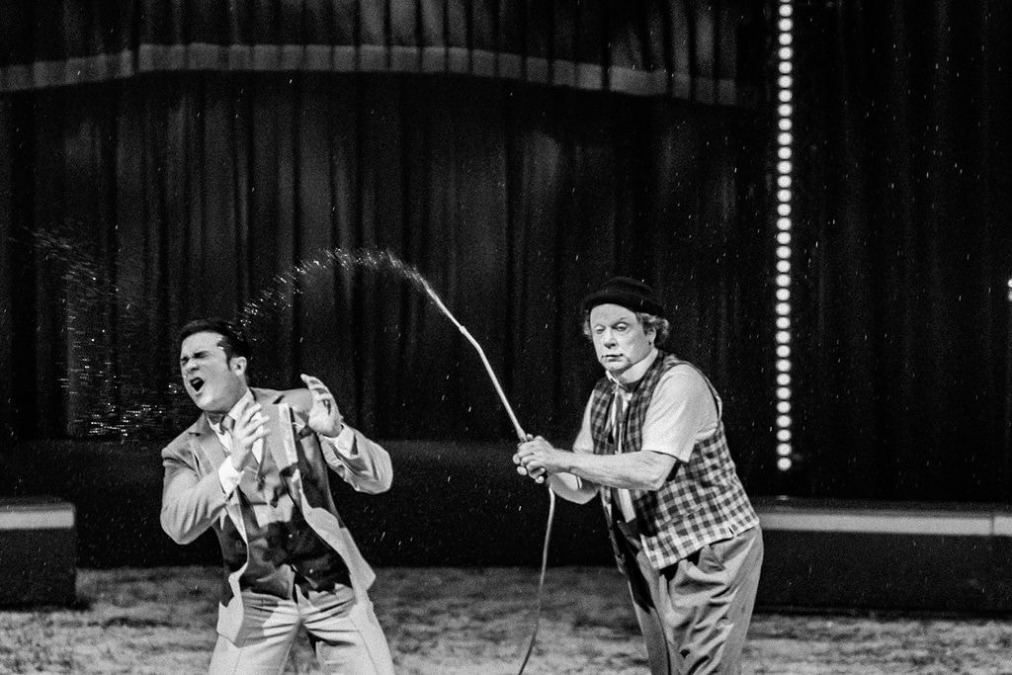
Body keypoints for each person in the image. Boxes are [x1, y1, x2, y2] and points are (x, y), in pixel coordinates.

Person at [514, 277, 763, 674]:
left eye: (621, 327)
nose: (608, 341)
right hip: (646, 551)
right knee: (666, 670)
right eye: (599, 331)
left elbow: (652, 470)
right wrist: (549, 470)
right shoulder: (604, 393)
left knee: (703, 670)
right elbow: (583, 488)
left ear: (651, 332)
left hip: (708, 549)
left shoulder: (679, 382)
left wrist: (561, 459)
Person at [161, 317, 395, 674]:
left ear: (237, 365)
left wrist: (337, 433)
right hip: (257, 603)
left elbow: (380, 478)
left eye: (200, 356)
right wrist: (232, 465)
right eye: (183, 360)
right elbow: (177, 524)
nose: (189, 366)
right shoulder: (183, 451)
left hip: (333, 589)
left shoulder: (297, 407)